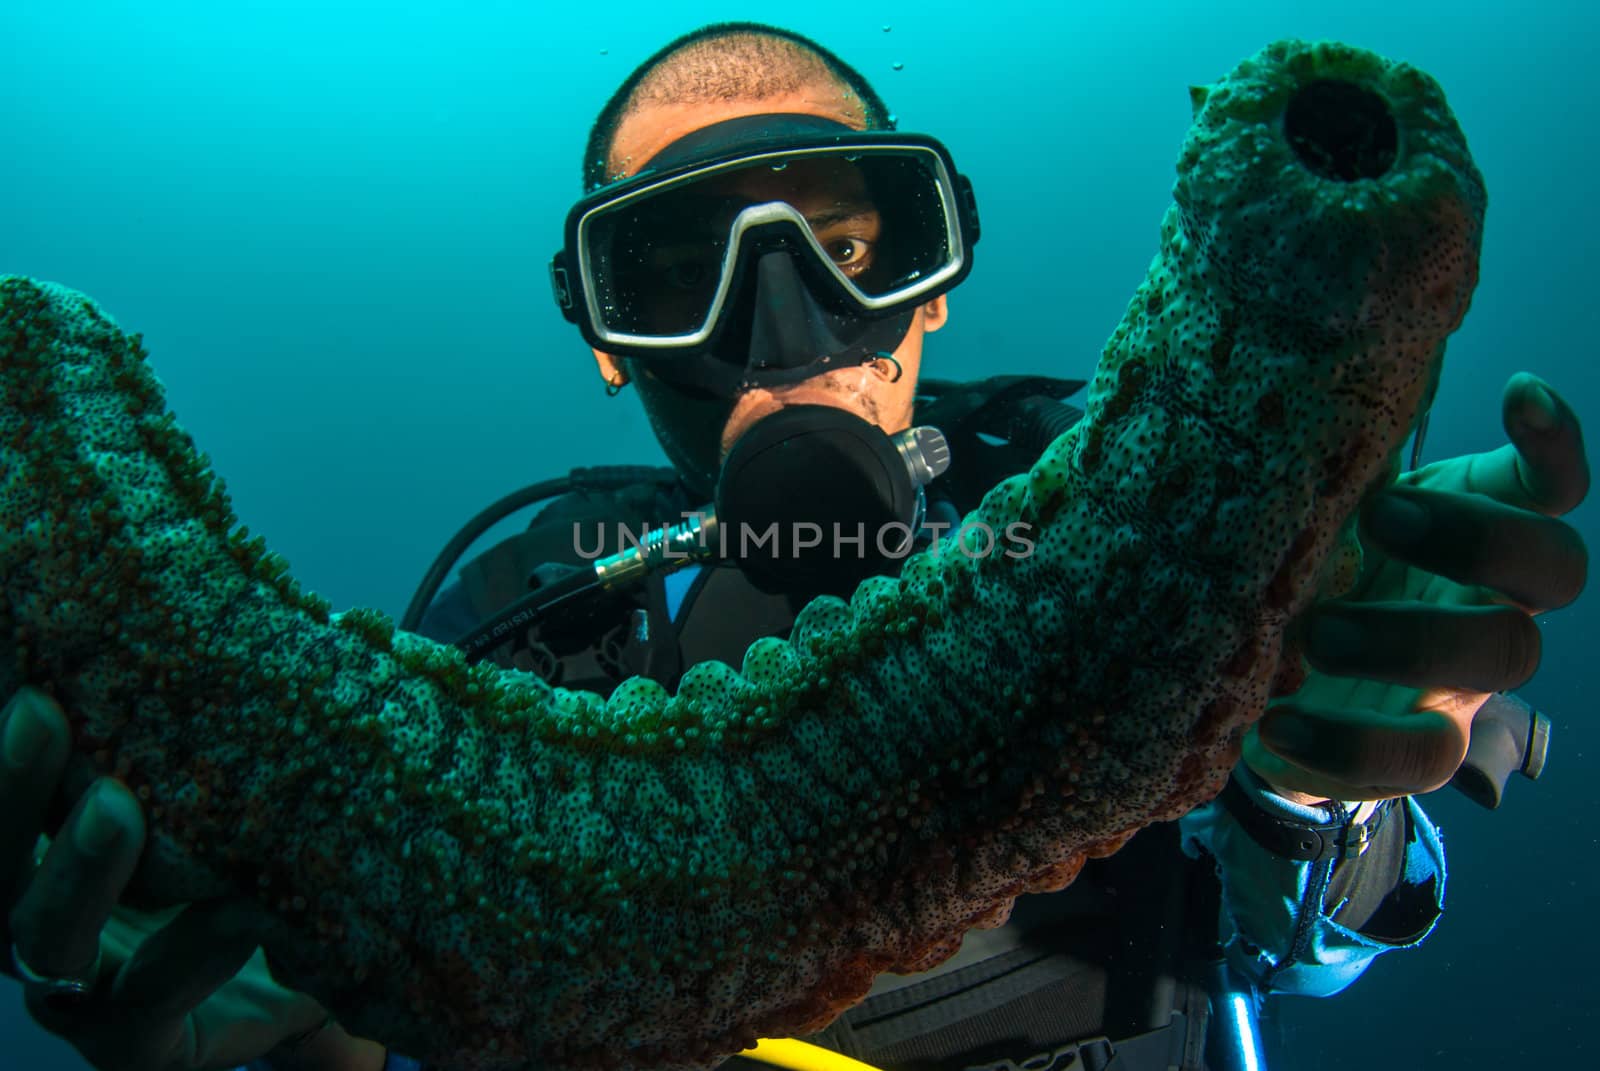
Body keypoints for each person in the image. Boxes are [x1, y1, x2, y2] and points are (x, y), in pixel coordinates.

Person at [0, 21, 1589, 1071]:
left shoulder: (1090, 478)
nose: (786, 331)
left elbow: (1294, 954)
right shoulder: (526, 616)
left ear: (937, 274)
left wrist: (1323, 779)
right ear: (607, 339)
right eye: (677, 267)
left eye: (848, 246)